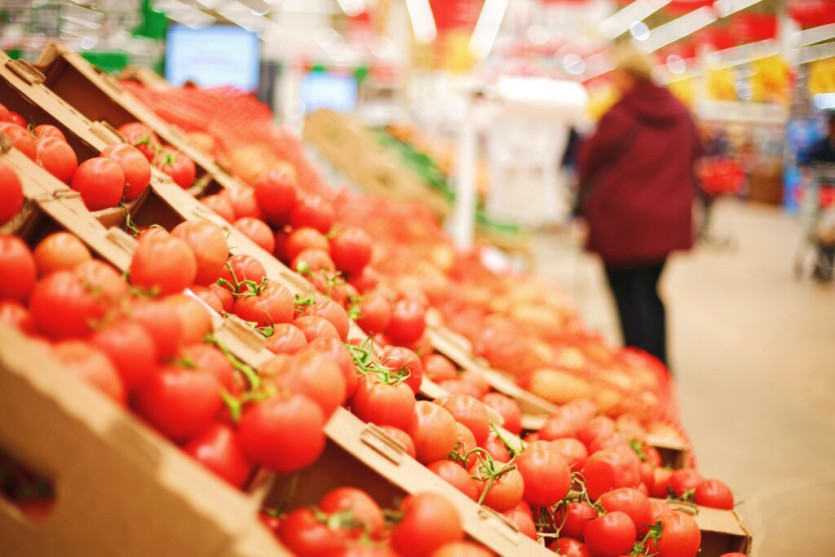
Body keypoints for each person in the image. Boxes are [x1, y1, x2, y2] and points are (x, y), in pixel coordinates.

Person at [576, 45, 701, 367]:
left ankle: (638, 367)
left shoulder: (619, 116)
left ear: (628, 77)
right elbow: (694, 158)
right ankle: (659, 364)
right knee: (651, 291)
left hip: (622, 222)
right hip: (667, 221)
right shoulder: (681, 114)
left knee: (627, 294)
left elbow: (590, 161)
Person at [805, 112, 835, 282]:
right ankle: (820, 260)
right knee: (818, 229)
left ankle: (828, 262)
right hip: (820, 196)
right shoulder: (819, 147)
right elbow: (808, 167)